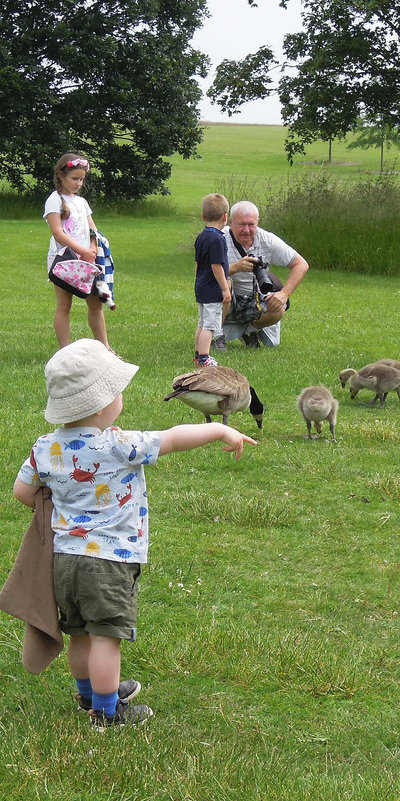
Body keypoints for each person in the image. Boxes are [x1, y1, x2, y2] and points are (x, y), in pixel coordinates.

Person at [13, 339, 257, 730]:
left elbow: (23, 493)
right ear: (100, 405)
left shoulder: (44, 447)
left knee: (79, 634)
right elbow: (174, 437)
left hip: (64, 561)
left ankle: (88, 696)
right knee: (106, 637)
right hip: (109, 563)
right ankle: (107, 713)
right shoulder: (120, 445)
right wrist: (218, 433)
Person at [215, 200, 309, 348]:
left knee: (278, 310)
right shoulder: (218, 238)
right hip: (226, 299)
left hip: (254, 299)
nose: (246, 230)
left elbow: (301, 264)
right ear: (230, 222)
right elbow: (201, 272)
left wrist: (284, 294)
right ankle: (217, 336)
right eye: (241, 224)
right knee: (224, 283)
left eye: (251, 224)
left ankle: (249, 331)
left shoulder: (267, 240)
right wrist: (235, 268)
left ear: (258, 222)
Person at [44, 153, 109, 349]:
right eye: (74, 179)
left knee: (96, 305)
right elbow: (57, 232)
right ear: (61, 176)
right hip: (65, 260)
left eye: (81, 179)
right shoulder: (54, 200)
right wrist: (81, 250)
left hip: (88, 260)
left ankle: (105, 348)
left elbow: (93, 230)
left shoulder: (82, 202)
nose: (78, 183)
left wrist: (92, 248)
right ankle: (64, 350)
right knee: (65, 305)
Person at [194, 193, 232, 365]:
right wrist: (225, 288)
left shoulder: (201, 237)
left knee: (202, 322)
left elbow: (197, 263)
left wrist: (198, 280)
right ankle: (204, 358)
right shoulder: (218, 239)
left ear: (203, 216)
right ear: (225, 217)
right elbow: (216, 266)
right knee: (209, 325)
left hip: (201, 285)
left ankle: (198, 354)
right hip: (212, 288)